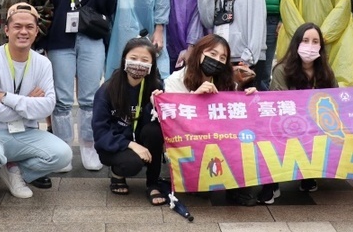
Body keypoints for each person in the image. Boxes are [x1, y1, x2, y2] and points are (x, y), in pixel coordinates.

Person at [0, 3, 73, 205]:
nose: (24, 31)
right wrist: (29, 105)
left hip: (23, 133)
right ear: (7, 30)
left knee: (63, 154)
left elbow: (48, 106)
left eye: (29, 27)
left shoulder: (42, 63)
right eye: (17, 26)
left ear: (37, 31)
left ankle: (15, 171)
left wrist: (6, 97)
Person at [44, 0, 117, 172]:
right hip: (60, 41)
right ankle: (63, 149)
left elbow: (108, 7)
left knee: (88, 98)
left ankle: (89, 145)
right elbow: (48, 7)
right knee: (62, 100)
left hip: (91, 39)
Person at [163, 34, 259, 204]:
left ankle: (238, 188)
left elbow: (235, 115)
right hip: (190, 140)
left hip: (218, 139)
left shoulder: (226, 81)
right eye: (212, 54)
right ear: (199, 52)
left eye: (223, 57)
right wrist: (195, 99)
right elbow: (172, 121)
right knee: (204, 191)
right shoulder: (175, 80)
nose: (217, 60)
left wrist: (251, 99)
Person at [266, 22, 338, 196]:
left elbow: (336, 104)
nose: (310, 46)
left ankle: (309, 174)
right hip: (287, 125)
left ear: (321, 47)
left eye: (315, 41)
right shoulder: (281, 71)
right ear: (296, 43)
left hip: (317, 127)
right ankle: (272, 181)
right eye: (305, 40)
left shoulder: (327, 73)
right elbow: (278, 107)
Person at [92, 37, 166, 204]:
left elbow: (160, 124)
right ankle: (118, 174)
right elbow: (100, 131)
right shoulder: (107, 90)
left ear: (152, 64)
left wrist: (156, 107)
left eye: (145, 60)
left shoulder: (156, 87)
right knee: (131, 164)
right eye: (133, 58)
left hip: (140, 136)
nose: (138, 64)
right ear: (124, 59)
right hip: (115, 143)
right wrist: (130, 145)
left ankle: (153, 183)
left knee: (155, 131)